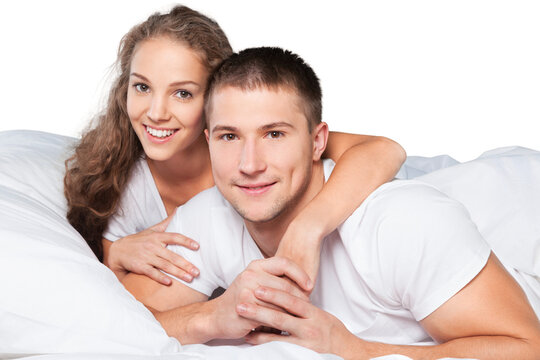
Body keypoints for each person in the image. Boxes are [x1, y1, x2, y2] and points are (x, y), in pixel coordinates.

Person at [121, 47, 540, 359]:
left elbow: (526, 347)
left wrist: (355, 350)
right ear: (210, 141)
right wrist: (208, 318)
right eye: (230, 136)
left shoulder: (402, 223)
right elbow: (116, 317)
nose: (249, 165)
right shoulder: (212, 213)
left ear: (318, 141)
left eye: (274, 134)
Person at [63, 5, 406, 285]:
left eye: (182, 93)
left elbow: (386, 150)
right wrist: (116, 253)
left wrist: (307, 227)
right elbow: (106, 278)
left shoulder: (258, 154)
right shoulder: (125, 183)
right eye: (141, 87)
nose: (155, 113)